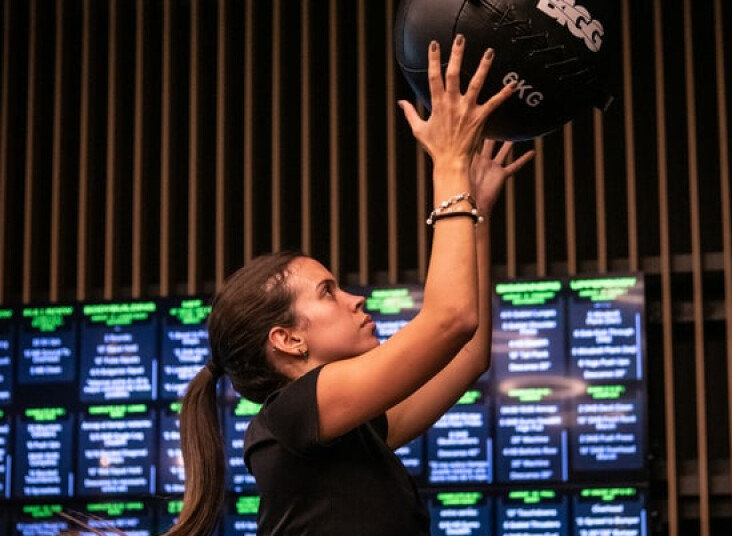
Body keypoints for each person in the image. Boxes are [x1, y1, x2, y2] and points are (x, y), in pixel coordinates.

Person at [61, 34, 535, 536]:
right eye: (328, 291)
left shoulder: (349, 428)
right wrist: (449, 163)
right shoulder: (294, 411)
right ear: (288, 340)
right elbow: (450, 319)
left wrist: (476, 213)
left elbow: (468, 354)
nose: (356, 298)